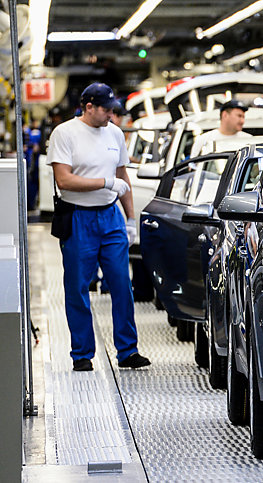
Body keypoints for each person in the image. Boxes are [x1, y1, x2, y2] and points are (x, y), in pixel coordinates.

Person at [47, 82, 151, 372]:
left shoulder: (115, 134)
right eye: (105, 109)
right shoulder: (64, 134)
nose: (110, 115)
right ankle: (82, 353)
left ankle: (128, 351)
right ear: (88, 106)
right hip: (78, 217)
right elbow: (64, 180)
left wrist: (130, 219)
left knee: (121, 283)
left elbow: (123, 178)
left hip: (111, 216)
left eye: (112, 110)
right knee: (78, 286)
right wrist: (104, 183)